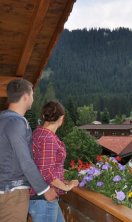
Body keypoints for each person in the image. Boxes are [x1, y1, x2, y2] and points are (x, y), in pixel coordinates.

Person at [0, 79, 57, 222]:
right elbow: (25, 160)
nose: (33, 98)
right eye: (32, 94)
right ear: (25, 97)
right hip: (12, 193)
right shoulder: (17, 122)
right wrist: (44, 189)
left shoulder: (2, 119)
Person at [29, 101, 79, 222]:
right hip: (44, 198)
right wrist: (67, 187)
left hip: (40, 196)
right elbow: (46, 172)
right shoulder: (48, 138)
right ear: (61, 118)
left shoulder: (38, 133)